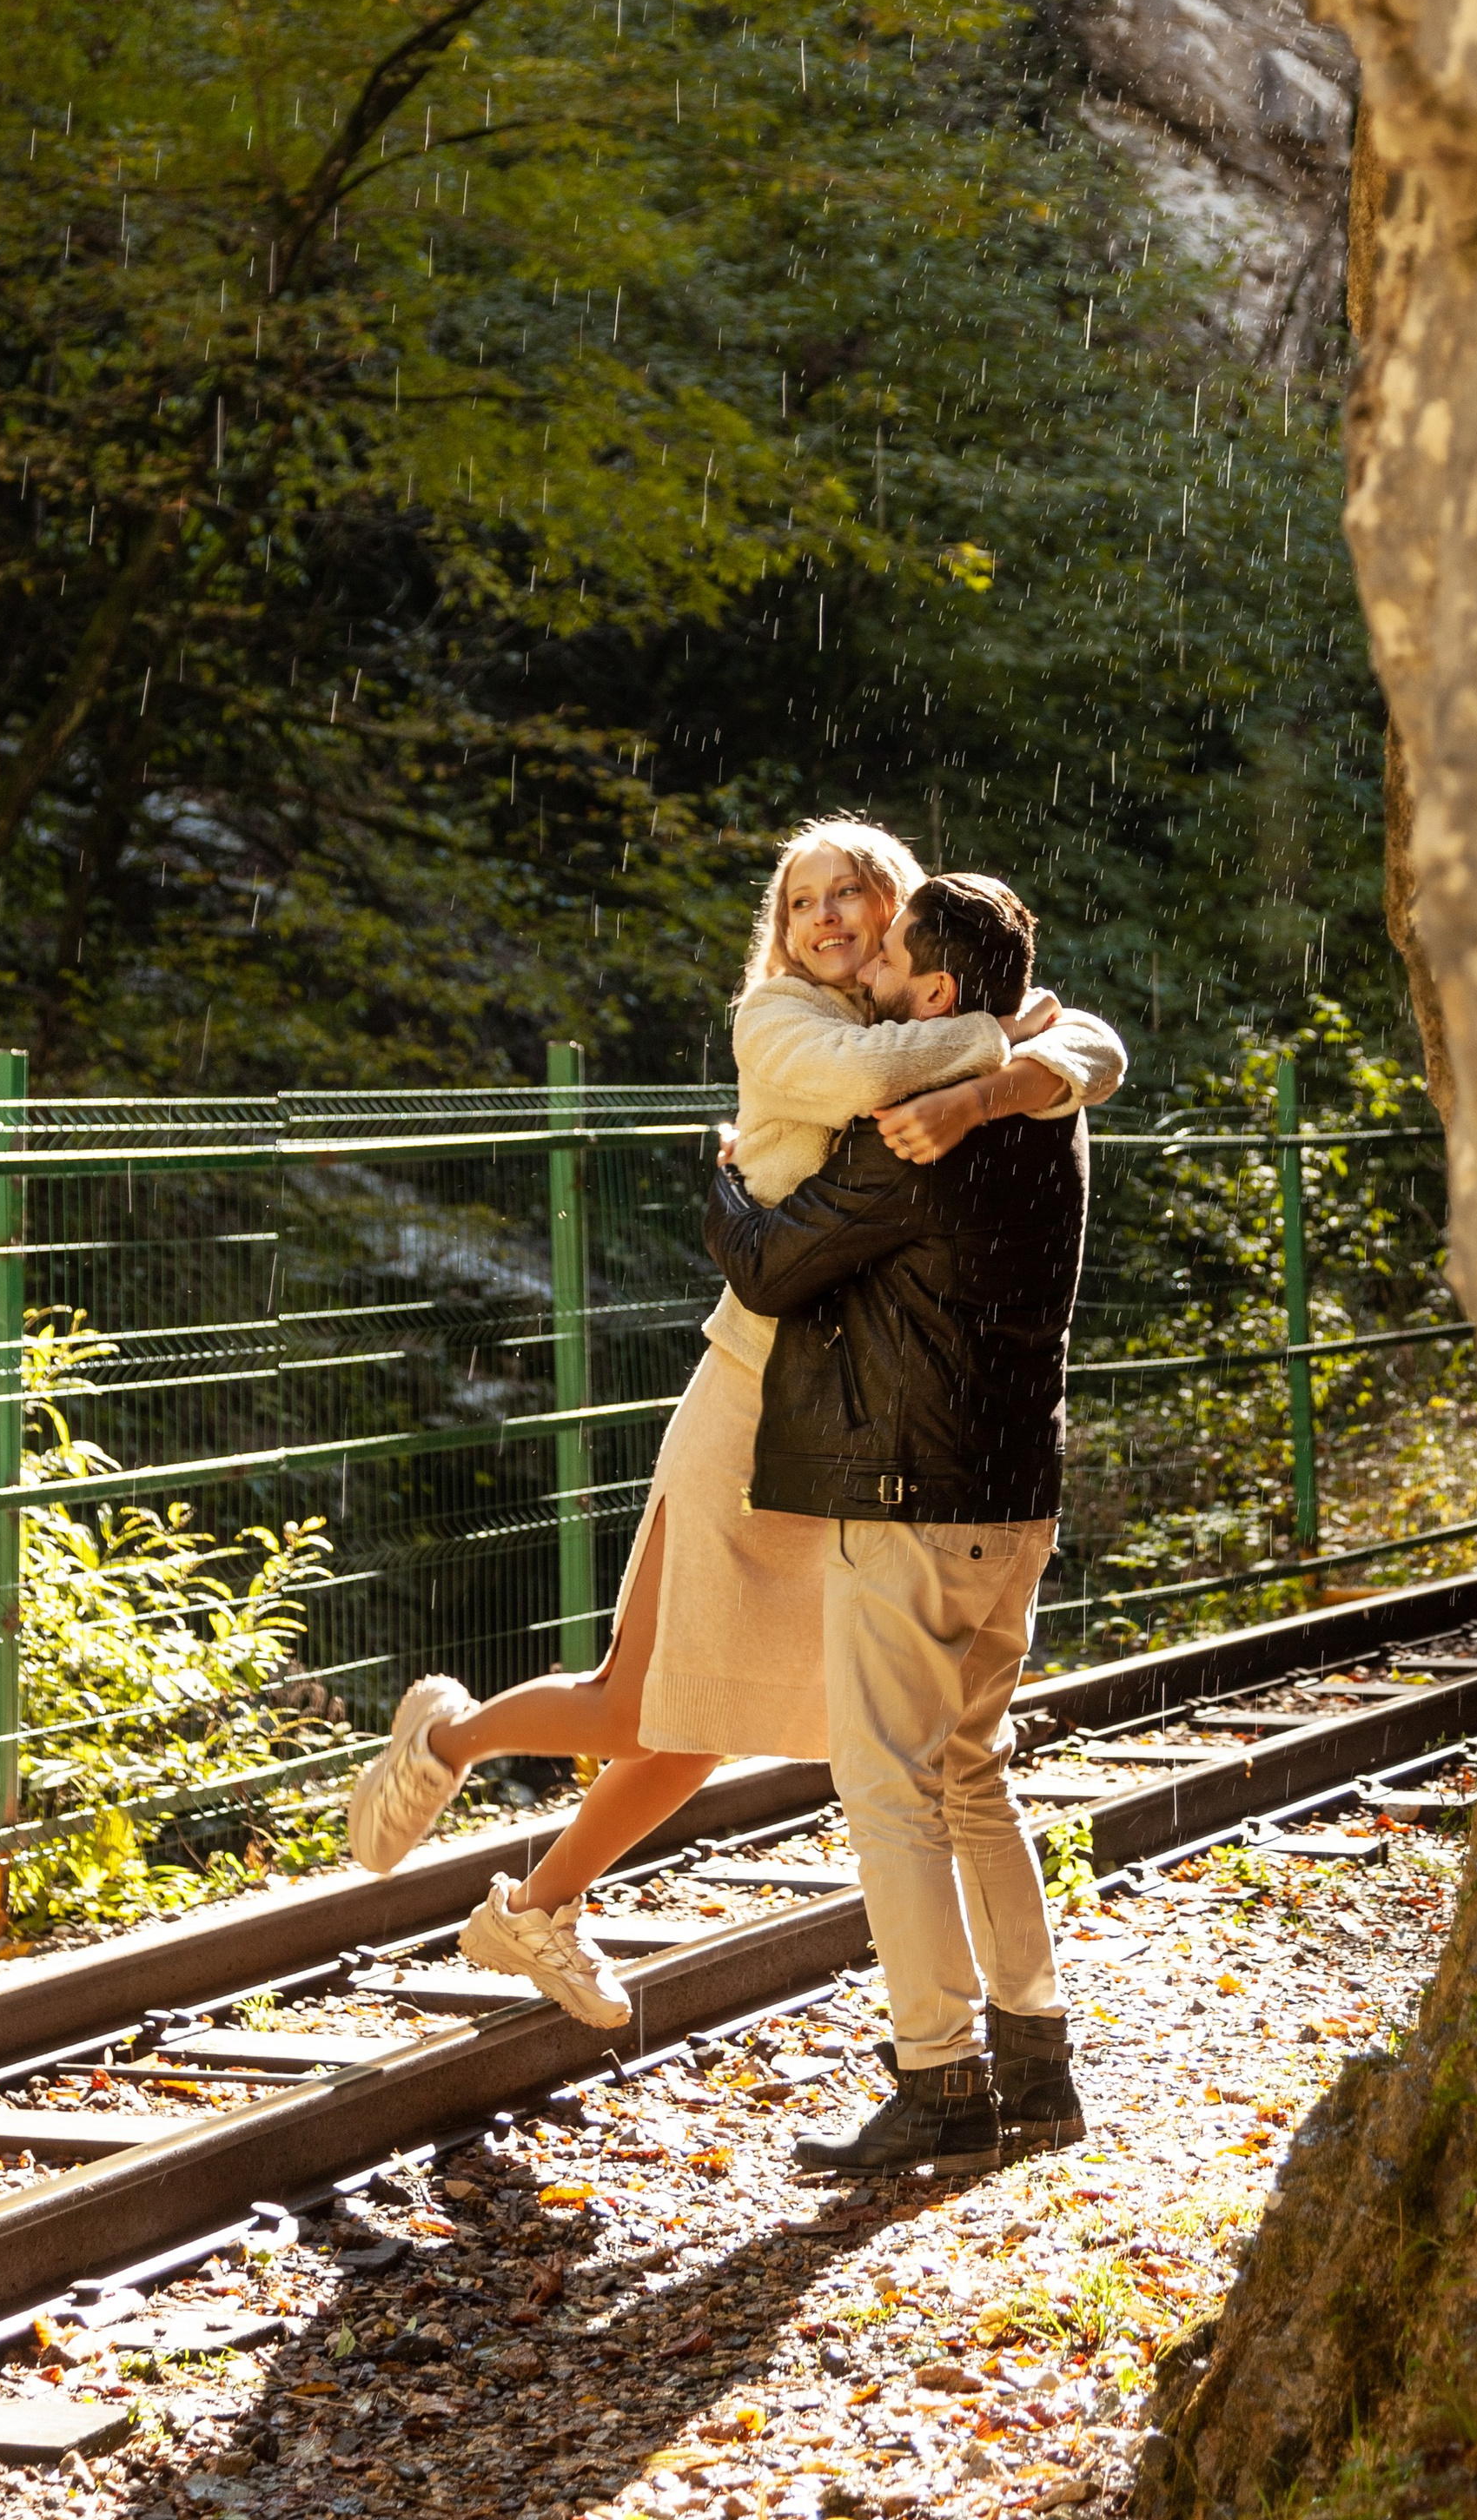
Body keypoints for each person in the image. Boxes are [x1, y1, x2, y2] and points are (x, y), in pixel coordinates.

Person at [343, 817, 1127, 2032]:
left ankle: (536, 1909)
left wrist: (1018, 1065)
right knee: (642, 1698)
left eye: (854, 893)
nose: (826, 914)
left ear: (899, 919)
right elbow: (881, 1084)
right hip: (758, 1388)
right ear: (781, 929)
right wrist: (1001, 1050)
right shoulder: (785, 1022)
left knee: (727, 1720)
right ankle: (452, 1734)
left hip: (866, 1421)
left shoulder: (917, 1012)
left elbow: (1102, 1044)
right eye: (802, 898)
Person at [701, 870, 1090, 2180]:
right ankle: (1038, 2058)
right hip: (1017, 1495)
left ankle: (938, 2076)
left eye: (889, 960)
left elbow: (766, 1262)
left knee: (888, 1788)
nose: (862, 969)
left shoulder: (917, 1136)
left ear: (934, 989)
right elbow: (1081, 1044)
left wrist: (721, 1184)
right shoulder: (1048, 1102)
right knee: (974, 1770)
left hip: (913, 1497)